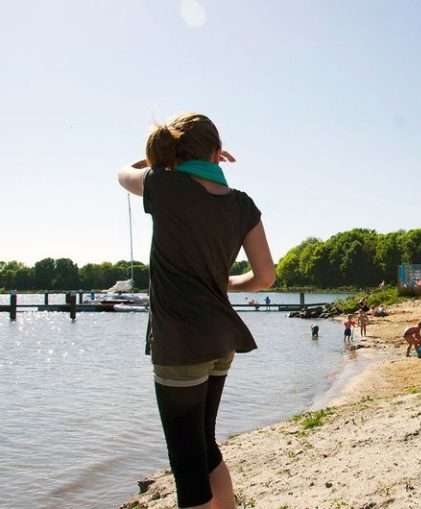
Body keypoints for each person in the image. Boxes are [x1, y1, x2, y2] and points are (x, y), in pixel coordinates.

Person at [117, 113, 275, 509]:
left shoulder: (166, 186)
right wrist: (224, 283)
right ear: (217, 154)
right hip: (222, 339)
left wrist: (152, 164)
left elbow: (121, 176)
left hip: (181, 344)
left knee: (187, 464)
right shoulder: (241, 204)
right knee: (204, 443)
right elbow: (265, 277)